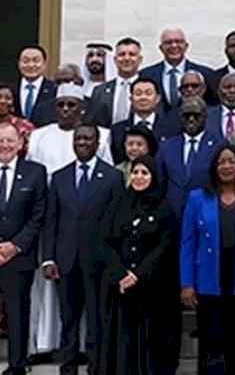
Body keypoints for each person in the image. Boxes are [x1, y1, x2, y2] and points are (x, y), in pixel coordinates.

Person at [179, 144, 235, 375]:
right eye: (222, 162)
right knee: (211, 344)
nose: (227, 166)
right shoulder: (197, 198)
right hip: (208, 279)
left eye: (231, 161)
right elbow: (188, 243)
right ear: (214, 167)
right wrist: (187, 284)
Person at [40, 124, 124, 375]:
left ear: (98, 143)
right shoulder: (59, 176)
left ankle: (96, 367)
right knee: (68, 318)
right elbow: (51, 221)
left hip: (98, 261)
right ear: (73, 143)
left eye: (88, 138)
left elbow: (117, 221)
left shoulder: (112, 177)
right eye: (78, 139)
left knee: (97, 318)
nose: (83, 143)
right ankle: (68, 368)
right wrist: (48, 258)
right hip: (66, 260)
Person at [95, 155, 177, 375]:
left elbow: (165, 245)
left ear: (154, 176)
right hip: (119, 287)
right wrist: (121, 273)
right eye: (135, 172)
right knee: (121, 341)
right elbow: (105, 241)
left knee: (148, 343)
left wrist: (138, 274)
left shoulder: (164, 208)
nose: (139, 177)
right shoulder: (118, 204)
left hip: (150, 288)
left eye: (144, 173)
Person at [0, 122, 48, 373]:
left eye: (10, 140)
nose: (5, 146)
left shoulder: (35, 172)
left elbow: (39, 214)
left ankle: (17, 365)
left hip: (19, 256)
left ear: (20, 144)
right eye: (1, 141)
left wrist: (15, 245)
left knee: (18, 312)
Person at [156, 98, 224, 215]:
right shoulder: (166, 147)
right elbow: (160, 182)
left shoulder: (219, 146)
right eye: (186, 115)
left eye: (196, 115)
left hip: (207, 214)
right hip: (172, 216)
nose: (191, 119)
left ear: (205, 116)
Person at [138, 27, 216, 111]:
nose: (174, 45)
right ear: (161, 48)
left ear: (186, 46)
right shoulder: (145, 75)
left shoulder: (206, 74)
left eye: (178, 41)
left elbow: (213, 106)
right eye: (168, 42)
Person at [87, 38, 144, 128]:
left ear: (140, 59)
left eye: (132, 54)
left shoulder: (149, 90)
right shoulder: (99, 91)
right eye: (122, 54)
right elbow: (91, 123)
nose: (126, 58)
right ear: (115, 60)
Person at [15, 44, 58, 126]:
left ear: (44, 64)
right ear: (19, 63)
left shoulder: (55, 89)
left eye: (36, 60)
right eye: (25, 61)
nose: (31, 65)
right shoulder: (11, 89)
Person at [0, 83, 36, 155]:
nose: (2, 101)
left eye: (8, 98)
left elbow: (33, 151)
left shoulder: (25, 126)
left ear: (13, 103)